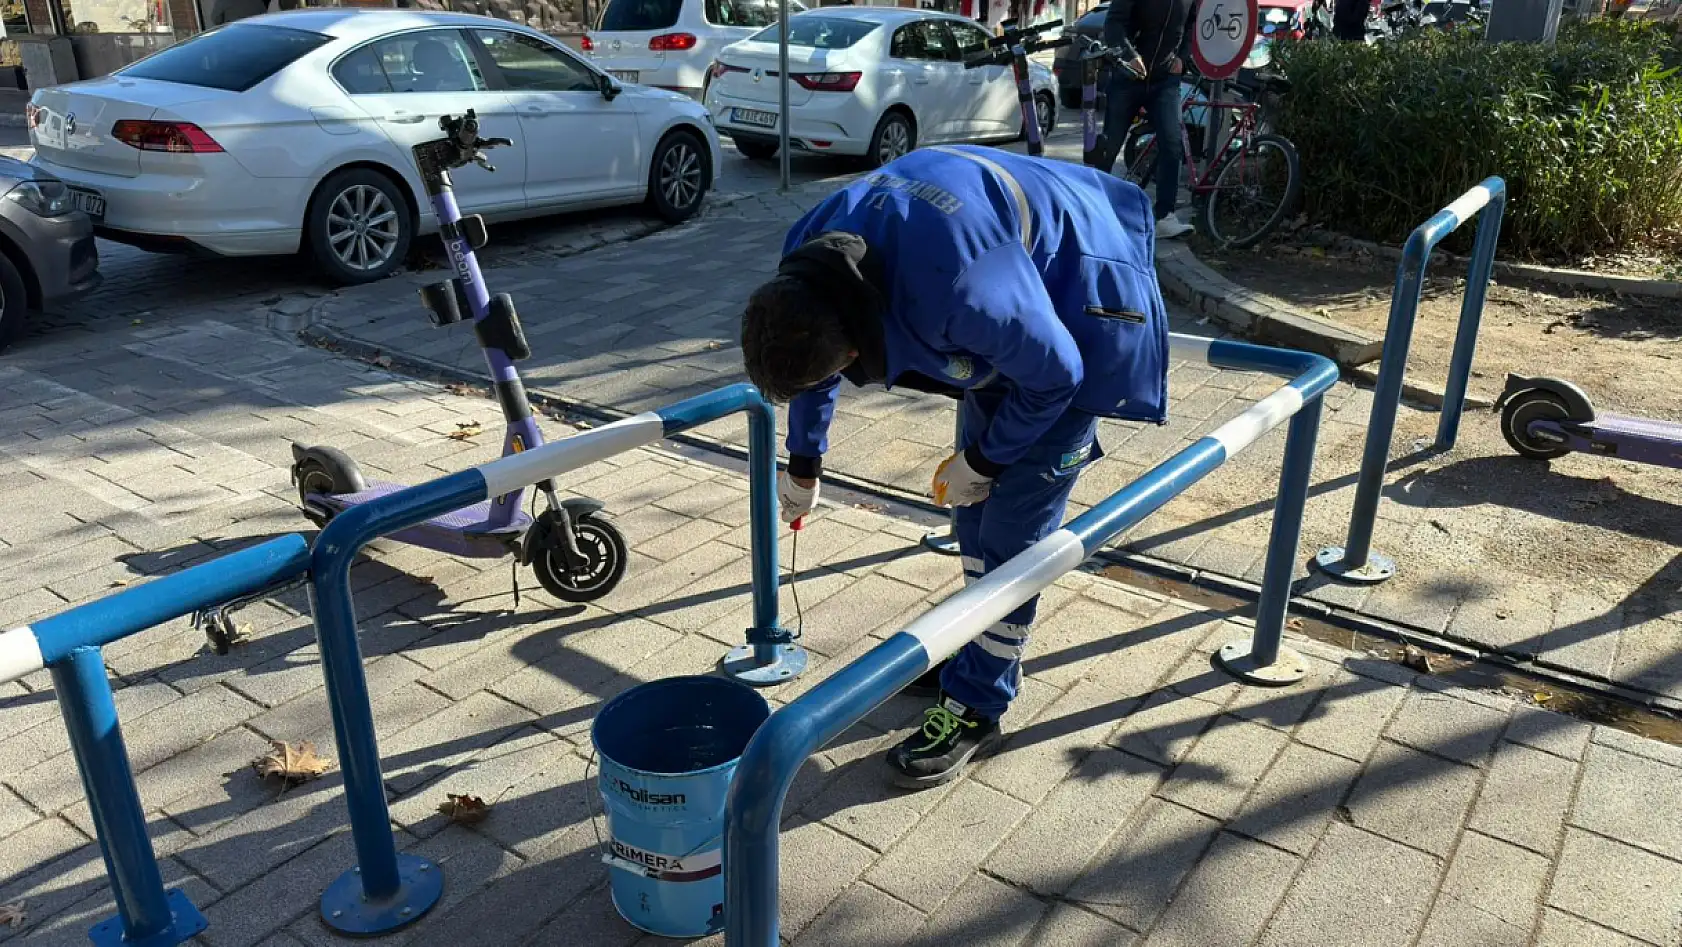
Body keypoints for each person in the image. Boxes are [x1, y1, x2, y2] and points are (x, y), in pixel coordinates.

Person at [740, 145, 1170, 788]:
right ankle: (973, 646)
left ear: (857, 345)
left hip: (1075, 304)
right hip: (1005, 306)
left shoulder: (962, 290)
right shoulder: (811, 257)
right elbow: (811, 364)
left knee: (1009, 539)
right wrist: (805, 461)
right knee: (972, 517)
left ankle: (979, 704)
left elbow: (1056, 375)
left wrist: (987, 457)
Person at [1100, 0, 1197, 239]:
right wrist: (1128, 54)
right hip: (1128, 76)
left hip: (1165, 81)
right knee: (1109, 145)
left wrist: (1182, 58)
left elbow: (1192, 27)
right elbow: (1114, 23)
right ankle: (1091, 206)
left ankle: (1165, 215)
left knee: (1173, 144)